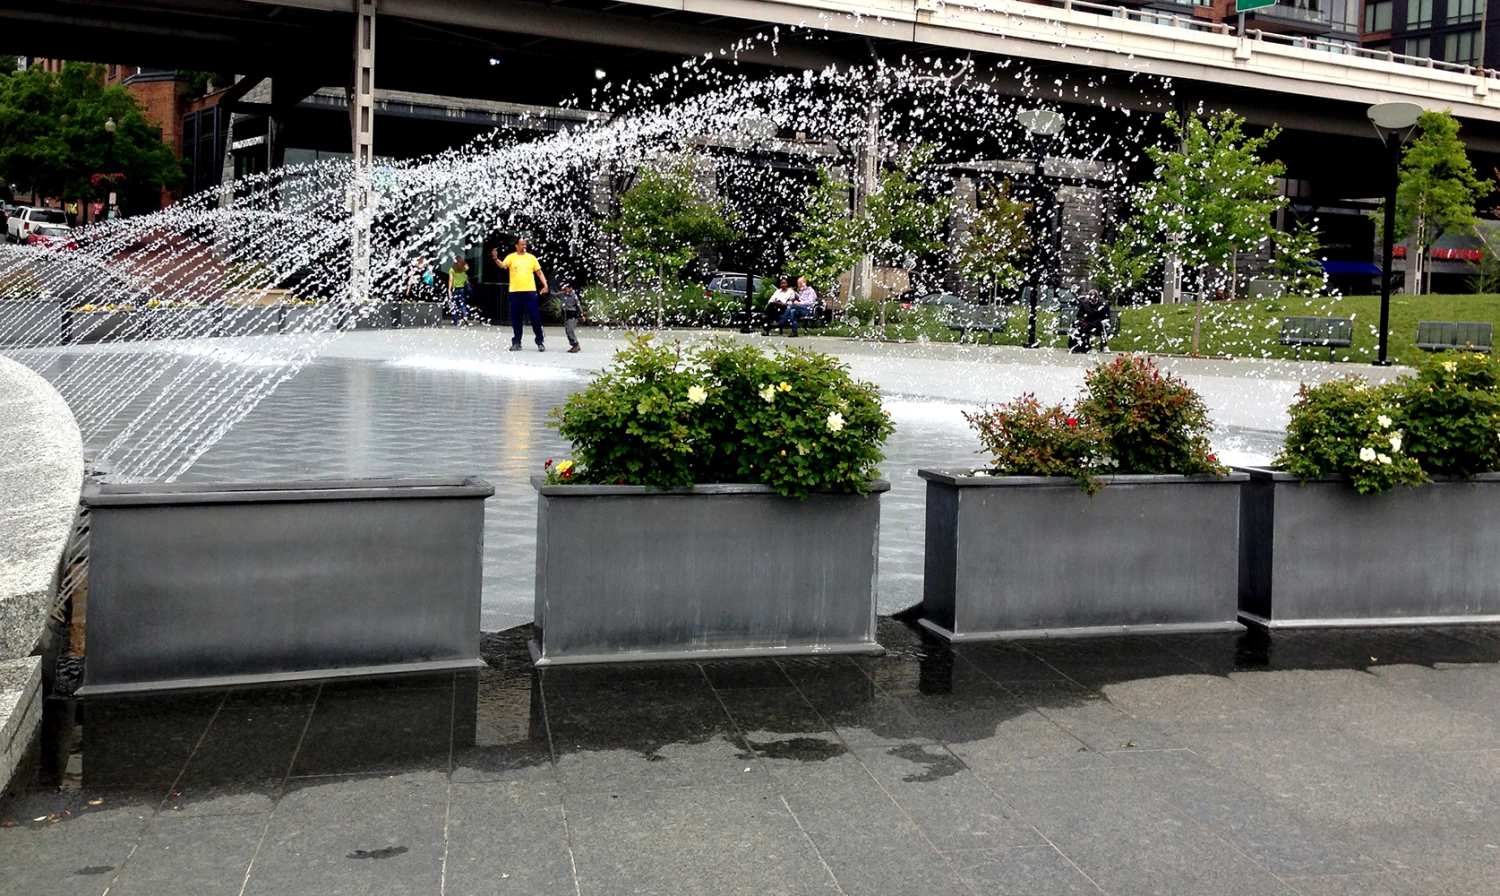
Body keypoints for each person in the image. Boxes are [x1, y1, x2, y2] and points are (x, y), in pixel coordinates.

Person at [493, 237, 549, 352]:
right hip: (515, 292)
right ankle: (516, 342)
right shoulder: (511, 257)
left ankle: (540, 341)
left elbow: (539, 272)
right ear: (516, 245)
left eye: (525, 245)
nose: (524, 246)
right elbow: (503, 265)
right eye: (522, 244)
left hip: (529, 291)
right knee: (516, 318)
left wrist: (545, 285)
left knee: (534, 316)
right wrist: (495, 258)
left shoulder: (531, 258)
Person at [558, 284, 585, 353]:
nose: (565, 290)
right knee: (567, 331)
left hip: (572, 315)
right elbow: (555, 294)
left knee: (570, 331)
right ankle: (573, 344)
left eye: (566, 288)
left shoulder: (574, 296)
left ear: (570, 288)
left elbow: (578, 305)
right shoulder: (563, 295)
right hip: (566, 315)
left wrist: (582, 315)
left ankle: (576, 344)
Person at [447, 256, 471, 325]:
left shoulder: (452, 270)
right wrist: (462, 263)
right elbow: (467, 266)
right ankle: (465, 316)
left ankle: (455, 321)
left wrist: (449, 289)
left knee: (454, 305)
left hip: (455, 289)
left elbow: (450, 280)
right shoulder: (464, 269)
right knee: (463, 304)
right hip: (462, 288)